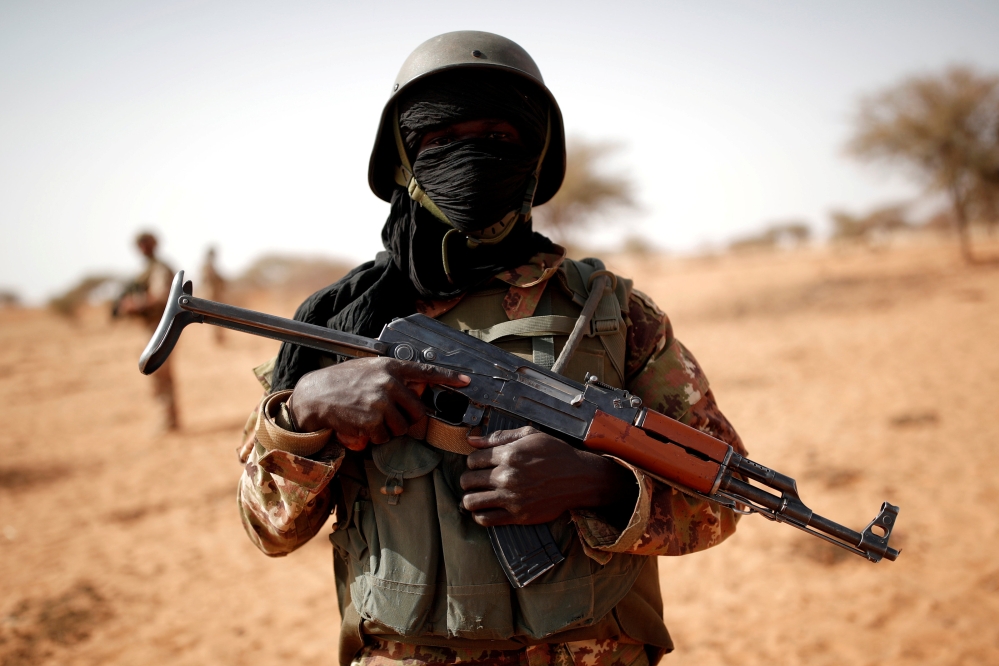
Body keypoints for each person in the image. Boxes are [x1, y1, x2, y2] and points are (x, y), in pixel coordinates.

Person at [237, 32, 746, 666]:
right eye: (441, 141)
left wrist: (603, 485)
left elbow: (723, 498)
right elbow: (270, 529)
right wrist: (304, 411)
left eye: (499, 140)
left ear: (533, 161)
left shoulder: (613, 315)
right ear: (403, 160)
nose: (471, 158)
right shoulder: (339, 325)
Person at [116, 231, 180, 431]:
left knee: (159, 371)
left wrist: (134, 304)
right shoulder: (147, 269)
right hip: (152, 327)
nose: (142, 248)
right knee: (156, 373)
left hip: (161, 326)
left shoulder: (159, 268)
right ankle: (167, 419)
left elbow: (160, 297)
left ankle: (168, 421)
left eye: (145, 244)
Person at [201, 246, 226, 344]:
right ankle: (215, 338)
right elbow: (207, 279)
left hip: (216, 294)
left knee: (219, 315)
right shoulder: (207, 267)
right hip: (211, 295)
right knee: (213, 316)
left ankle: (218, 337)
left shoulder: (211, 266)